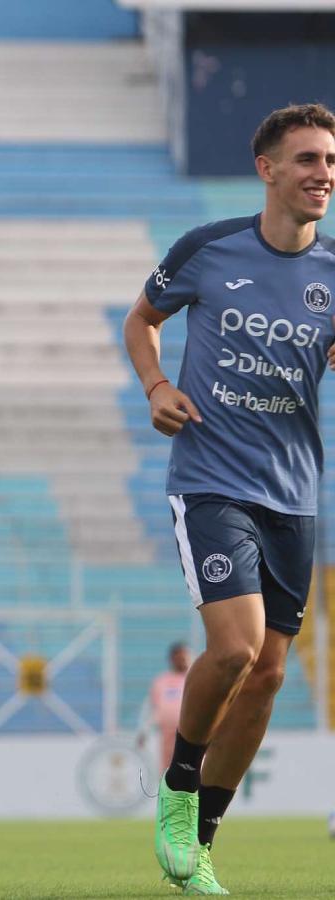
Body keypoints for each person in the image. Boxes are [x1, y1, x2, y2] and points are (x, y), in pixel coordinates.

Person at [123, 102, 335, 895]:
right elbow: (141, 320)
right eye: (308, 159)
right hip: (212, 480)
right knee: (238, 647)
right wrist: (156, 384)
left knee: (272, 675)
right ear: (268, 169)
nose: (323, 174)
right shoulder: (209, 251)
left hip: (294, 491)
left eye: (331, 161)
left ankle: (202, 841)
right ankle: (178, 787)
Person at [137, 642, 192, 773]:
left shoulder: (196, 679)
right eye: (179, 657)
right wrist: (143, 731)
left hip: (192, 735)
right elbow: (150, 708)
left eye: (185, 656)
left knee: (192, 770)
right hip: (166, 736)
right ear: (172, 659)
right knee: (167, 773)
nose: (183, 660)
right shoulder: (160, 681)